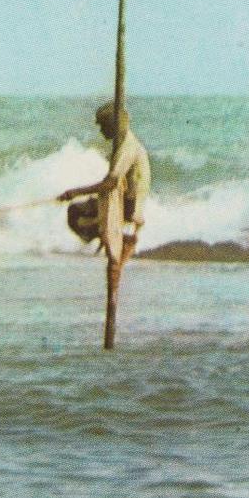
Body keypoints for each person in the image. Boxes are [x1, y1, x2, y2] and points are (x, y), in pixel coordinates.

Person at [57, 102, 151, 345]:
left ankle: (104, 233)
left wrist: (75, 191)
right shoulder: (122, 145)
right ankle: (99, 232)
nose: (101, 131)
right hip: (121, 207)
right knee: (75, 213)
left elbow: (110, 183)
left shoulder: (128, 148)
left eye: (103, 126)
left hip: (128, 215)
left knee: (77, 209)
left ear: (114, 124)